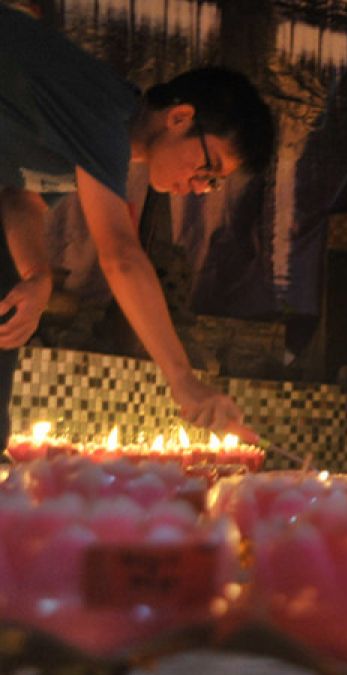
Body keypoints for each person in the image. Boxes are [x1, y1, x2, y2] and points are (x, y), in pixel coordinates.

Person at [0, 4, 275, 451]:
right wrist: (183, 380)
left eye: (214, 183)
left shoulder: (95, 145)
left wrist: (38, 277)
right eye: (209, 168)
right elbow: (120, 256)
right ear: (180, 117)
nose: (201, 186)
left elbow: (19, 196)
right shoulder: (106, 115)